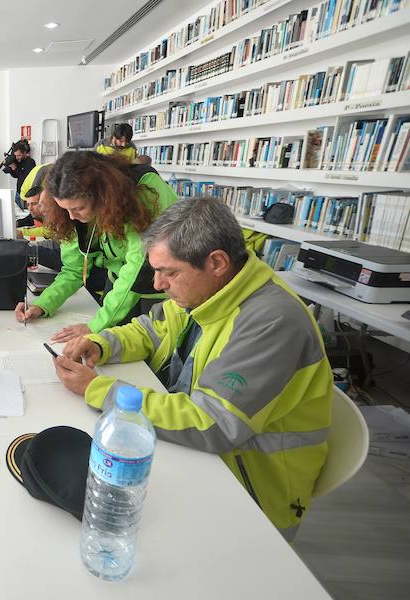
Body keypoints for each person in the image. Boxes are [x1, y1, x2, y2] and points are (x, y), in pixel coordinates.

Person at [57, 197, 332, 540]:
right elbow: (150, 329)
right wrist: (101, 343)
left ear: (217, 262)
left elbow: (212, 422)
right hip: (204, 461)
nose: (157, 285)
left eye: (168, 272)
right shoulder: (210, 290)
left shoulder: (272, 321)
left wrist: (98, 390)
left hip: (249, 497)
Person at [14, 151, 177, 342]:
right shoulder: (73, 211)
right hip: (119, 286)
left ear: (101, 194)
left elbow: (139, 266)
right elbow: (73, 270)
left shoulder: (145, 190)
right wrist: (42, 305)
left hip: (159, 290)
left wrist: (95, 325)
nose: (72, 217)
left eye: (78, 208)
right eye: (65, 209)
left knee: (149, 357)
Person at [3, 140, 36, 208]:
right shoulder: (19, 161)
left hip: (26, 194)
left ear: (24, 153)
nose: (17, 157)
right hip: (18, 192)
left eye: (19, 155)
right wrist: (11, 170)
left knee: (24, 214)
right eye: (16, 155)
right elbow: (16, 176)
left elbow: (25, 177)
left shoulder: (30, 162)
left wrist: (14, 168)